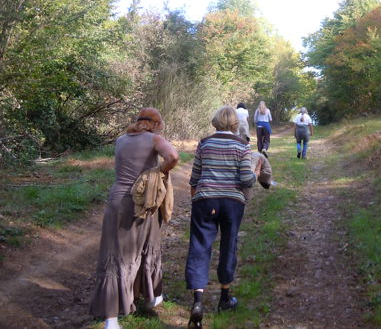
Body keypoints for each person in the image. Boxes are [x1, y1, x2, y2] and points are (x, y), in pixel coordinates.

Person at [90, 108, 179, 329]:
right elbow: (173, 157)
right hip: (143, 201)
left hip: (117, 200)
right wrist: (158, 172)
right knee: (145, 246)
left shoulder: (121, 139)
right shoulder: (155, 139)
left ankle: (119, 314)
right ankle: (146, 300)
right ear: (155, 124)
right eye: (161, 124)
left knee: (116, 254)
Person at [185, 106, 257, 328]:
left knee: (199, 247)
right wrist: (256, 172)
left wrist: (197, 196)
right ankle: (224, 298)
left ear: (215, 122)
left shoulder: (204, 143)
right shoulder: (242, 145)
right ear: (235, 123)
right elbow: (246, 179)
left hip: (205, 201)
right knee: (229, 245)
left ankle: (198, 302)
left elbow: (194, 178)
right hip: (232, 203)